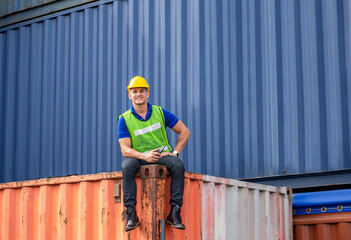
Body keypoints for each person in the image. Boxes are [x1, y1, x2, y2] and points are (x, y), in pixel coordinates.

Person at [118, 76, 190, 232]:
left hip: (161, 156)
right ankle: (131, 215)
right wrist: (144, 156)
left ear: (147, 93)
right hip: (140, 157)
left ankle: (175, 213)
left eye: (142, 91)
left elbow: (184, 131)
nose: (138, 94)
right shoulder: (124, 119)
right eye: (134, 91)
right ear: (129, 95)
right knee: (127, 166)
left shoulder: (160, 112)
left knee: (178, 165)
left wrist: (175, 153)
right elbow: (125, 149)